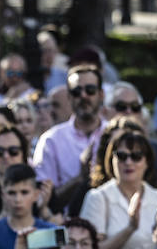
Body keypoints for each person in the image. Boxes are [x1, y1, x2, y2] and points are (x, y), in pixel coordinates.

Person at [81, 128, 157, 249]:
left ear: (147, 162)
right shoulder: (97, 198)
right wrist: (129, 228)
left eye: (136, 156)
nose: (128, 162)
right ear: (111, 160)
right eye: (121, 156)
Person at [32, 64, 104, 192]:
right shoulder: (51, 140)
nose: (83, 96)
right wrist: (80, 178)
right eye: (76, 92)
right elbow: (45, 199)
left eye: (90, 90)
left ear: (101, 94)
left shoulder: (115, 134)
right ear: (69, 97)